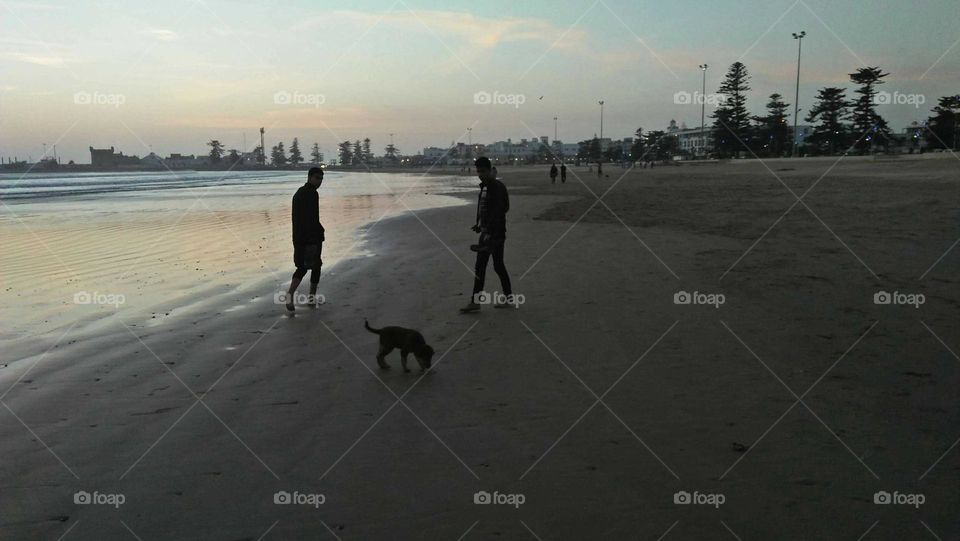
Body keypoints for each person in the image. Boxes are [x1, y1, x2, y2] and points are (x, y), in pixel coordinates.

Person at [461, 157, 513, 313]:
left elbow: (501, 211)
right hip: (488, 233)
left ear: (490, 170)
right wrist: (480, 225)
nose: (480, 174)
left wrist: (490, 232)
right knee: (492, 266)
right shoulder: (485, 187)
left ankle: (477, 302)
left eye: (483, 171)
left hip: (494, 235)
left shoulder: (495, 187)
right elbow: (485, 209)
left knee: (487, 267)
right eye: (478, 171)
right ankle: (502, 298)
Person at [285, 167, 325, 312]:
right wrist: (315, 235)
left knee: (305, 267)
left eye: (321, 178)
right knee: (313, 266)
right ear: (309, 177)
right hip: (309, 237)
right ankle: (309, 299)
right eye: (317, 178)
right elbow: (311, 218)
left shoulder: (300, 193)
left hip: (300, 236)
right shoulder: (311, 194)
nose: (319, 181)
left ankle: (299, 298)